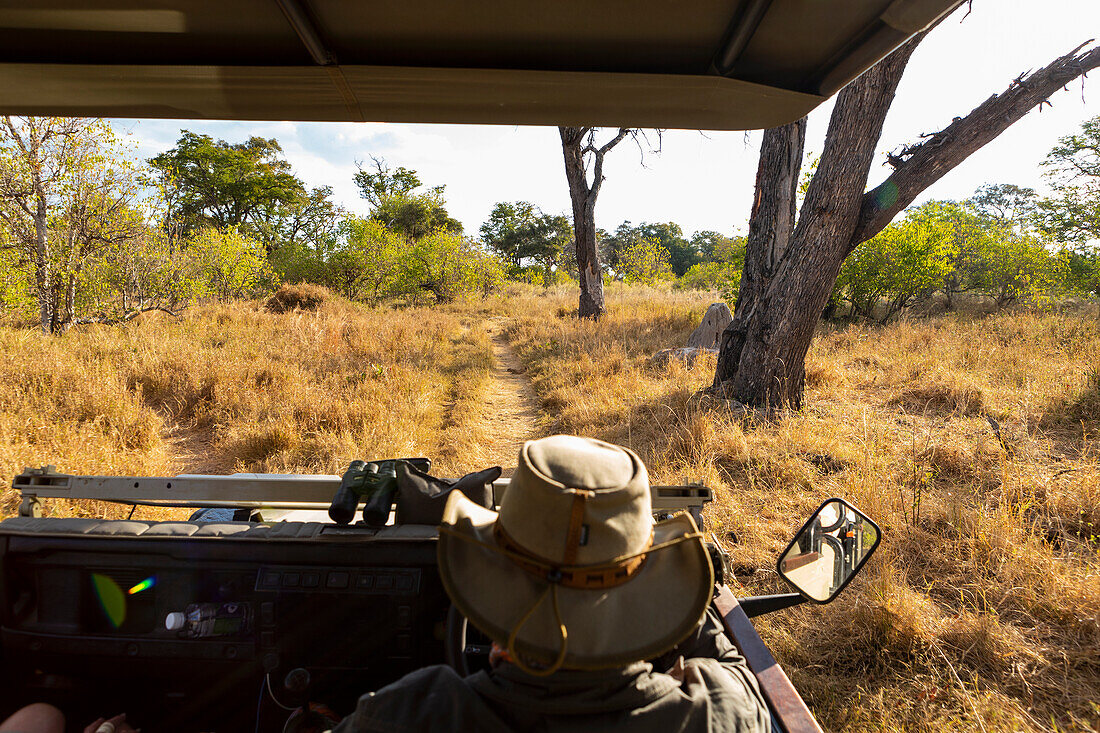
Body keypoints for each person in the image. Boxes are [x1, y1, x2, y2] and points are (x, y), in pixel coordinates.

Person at [333, 434, 770, 732]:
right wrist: (685, 598)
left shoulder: (404, 715)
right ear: (643, 596)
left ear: (492, 581)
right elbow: (736, 676)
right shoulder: (710, 716)